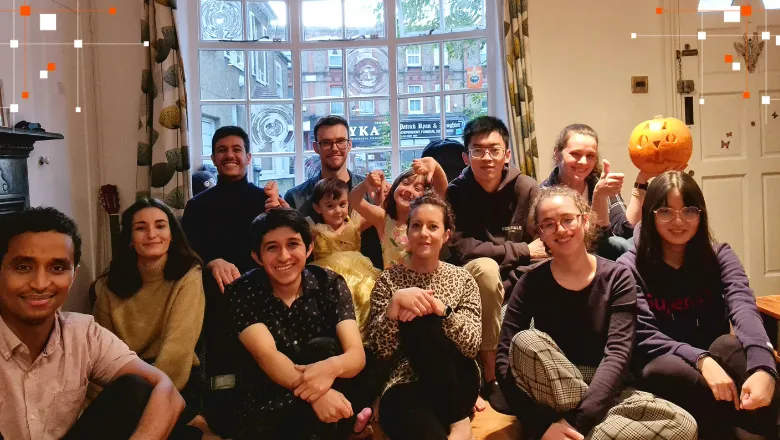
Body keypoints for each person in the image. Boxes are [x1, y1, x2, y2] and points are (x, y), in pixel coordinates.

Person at [496, 186, 697, 440]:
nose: (560, 229)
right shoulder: (530, 283)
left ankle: (568, 434)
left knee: (682, 425)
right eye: (548, 224)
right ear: (540, 234)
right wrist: (539, 423)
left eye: (568, 219)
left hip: (606, 383)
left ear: (585, 220)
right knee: (525, 341)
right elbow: (503, 359)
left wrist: (574, 424)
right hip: (552, 378)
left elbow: (617, 355)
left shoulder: (617, 277)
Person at [0, 207, 190, 440]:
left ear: (73, 277)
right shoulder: (110, 286)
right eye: (23, 267)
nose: (40, 283)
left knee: (138, 389)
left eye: (57, 268)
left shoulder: (83, 334)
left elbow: (166, 388)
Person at [617, 171, 777, 440]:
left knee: (728, 346)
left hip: (714, 359)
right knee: (666, 368)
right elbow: (644, 336)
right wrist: (701, 360)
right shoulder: (628, 266)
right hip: (664, 364)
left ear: (700, 214)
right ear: (650, 214)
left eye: (689, 211)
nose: (678, 221)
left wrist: (764, 367)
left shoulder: (719, 255)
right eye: (666, 211)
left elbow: (744, 308)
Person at [226, 208, 376, 439]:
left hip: (332, 391)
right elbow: (268, 356)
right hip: (270, 396)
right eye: (272, 247)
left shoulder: (330, 283)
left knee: (323, 347)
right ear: (257, 256)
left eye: (293, 244)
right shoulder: (243, 291)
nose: (284, 256)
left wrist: (330, 369)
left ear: (309, 248)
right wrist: (318, 395)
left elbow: (356, 355)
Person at [180, 125, 277, 434]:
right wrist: (212, 261)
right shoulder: (197, 205)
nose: (229, 155)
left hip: (261, 287)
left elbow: (283, 246)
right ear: (213, 157)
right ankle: (221, 407)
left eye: (237, 149)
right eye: (222, 150)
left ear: (248, 157)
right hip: (216, 291)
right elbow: (187, 251)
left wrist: (281, 213)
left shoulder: (265, 201)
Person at [445, 115, 544, 412]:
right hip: (477, 273)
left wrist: (518, 261)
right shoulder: (456, 192)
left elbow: (544, 247)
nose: (487, 157)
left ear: (507, 153)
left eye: (494, 149)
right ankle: (492, 375)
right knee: (487, 270)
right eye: (478, 150)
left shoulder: (526, 188)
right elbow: (463, 250)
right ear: (466, 156)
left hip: (519, 272)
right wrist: (521, 250)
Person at [368, 194, 482, 440]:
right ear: (407, 232)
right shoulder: (388, 281)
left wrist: (442, 311)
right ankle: (456, 422)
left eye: (433, 226)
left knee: (422, 317)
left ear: (447, 234)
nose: (424, 233)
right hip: (406, 383)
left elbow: (471, 346)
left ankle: (458, 419)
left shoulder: (463, 280)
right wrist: (394, 306)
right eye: (416, 225)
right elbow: (379, 351)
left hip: (457, 379)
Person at [93, 198, 206, 428]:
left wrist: (155, 398)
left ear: (172, 234)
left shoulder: (188, 275)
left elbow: (178, 349)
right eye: (141, 228)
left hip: (175, 378)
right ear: (130, 240)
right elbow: (99, 351)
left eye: (160, 226)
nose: (152, 234)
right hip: (125, 377)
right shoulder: (108, 284)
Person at [284, 115, 383, 269]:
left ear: (349, 145)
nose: (334, 148)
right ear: (316, 147)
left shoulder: (371, 192)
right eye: (326, 143)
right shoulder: (295, 198)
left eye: (340, 141)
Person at [540, 123, 633, 260]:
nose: (583, 162)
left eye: (590, 155)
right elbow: (563, 243)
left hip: (604, 261)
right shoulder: (544, 194)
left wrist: (641, 181)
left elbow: (624, 231)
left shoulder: (600, 183)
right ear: (557, 154)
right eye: (575, 154)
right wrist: (599, 197)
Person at [301, 177, 379, 336]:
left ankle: (366, 336)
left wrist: (381, 193)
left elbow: (379, 214)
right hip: (326, 278)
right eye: (330, 206)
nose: (338, 210)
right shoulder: (314, 230)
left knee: (367, 290)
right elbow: (293, 226)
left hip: (361, 273)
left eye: (342, 204)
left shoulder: (355, 223)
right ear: (317, 208)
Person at [349, 157, 447, 269]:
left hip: (424, 283)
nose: (409, 190)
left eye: (418, 188)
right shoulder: (383, 219)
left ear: (426, 197)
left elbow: (442, 191)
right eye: (405, 183)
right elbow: (353, 200)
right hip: (393, 284)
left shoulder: (426, 222)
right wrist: (365, 184)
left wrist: (436, 167)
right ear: (395, 186)